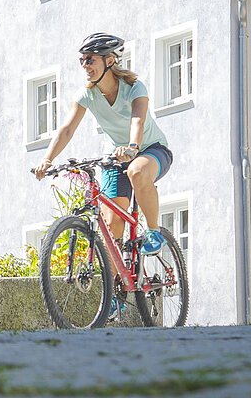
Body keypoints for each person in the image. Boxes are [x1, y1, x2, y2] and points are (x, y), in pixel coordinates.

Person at [32, 33, 176, 314]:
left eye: (91, 59)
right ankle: (115, 295)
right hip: (116, 157)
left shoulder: (133, 87)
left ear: (110, 61)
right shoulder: (87, 94)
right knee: (112, 227)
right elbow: (67, 129)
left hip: (151, 150)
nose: (85, 65)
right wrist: (48, 159)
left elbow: (138, 119)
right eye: (82, 60)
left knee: (137, 171)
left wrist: (133, 146)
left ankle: (154, 232)